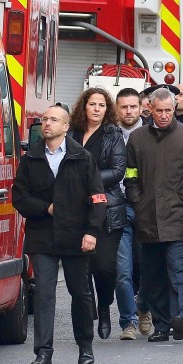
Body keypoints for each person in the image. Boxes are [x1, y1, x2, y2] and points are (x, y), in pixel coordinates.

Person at [12, 104, 106, 364]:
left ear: (66, 127)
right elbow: (19, 197)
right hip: (43, 237)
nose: (47, 123)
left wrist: (91, 232)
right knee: (43, 294)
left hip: (77, 236)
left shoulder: (82, 157)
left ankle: (85, 346)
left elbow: (98, 198)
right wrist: (45, 208)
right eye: (44, 119)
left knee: (81, 293)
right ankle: (43, 352)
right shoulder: (31, 158)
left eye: (54, 120)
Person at [124, 87, 183, 342]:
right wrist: (138, 202)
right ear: (149, 109)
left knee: (177, 272)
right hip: (148, 220)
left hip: (178, 219)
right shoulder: (137, 139)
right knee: (153, 276)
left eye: (168, 110)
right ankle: (161, 326)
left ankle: (178, 318)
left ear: (174, 109)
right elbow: (131, 175)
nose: (163, 115)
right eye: (158, 111)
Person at [68, 88, 127, 341]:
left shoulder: (114, 135)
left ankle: (104, 307)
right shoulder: (71, 133)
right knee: (82, 267)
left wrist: (86, 182)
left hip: (107, 209)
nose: (96, 109)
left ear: (107, 109)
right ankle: (88, 311)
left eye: (101, 105)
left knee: (104, 267)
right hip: (74, 210)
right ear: (84, 106)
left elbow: (117, 171)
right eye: (92, 104)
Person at [114, 88, 152, 340]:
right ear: (117, 109)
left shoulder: (150, 134)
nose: (129, 111)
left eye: (132, 107)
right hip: (118, 208)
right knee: (123, 270)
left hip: (146, 208)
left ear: (141, 108)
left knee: (147, 267)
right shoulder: (109, 135)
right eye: (124, 107)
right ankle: (127, 321)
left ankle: (145, 309)